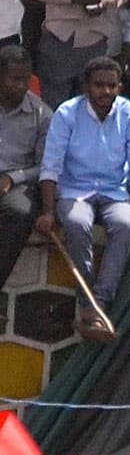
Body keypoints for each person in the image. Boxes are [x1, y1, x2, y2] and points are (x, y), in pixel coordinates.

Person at [37, 56, 130, 342]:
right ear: (86, 86)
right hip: (75, 191)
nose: (106, 92)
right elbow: (51, 166)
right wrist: (48, 211)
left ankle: (99, 303)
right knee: (75, 223)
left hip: (115, 192)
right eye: (99, 85)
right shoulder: (66, 113)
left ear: (120, 87)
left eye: (112, 86)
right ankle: (89, 308)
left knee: (126, 224)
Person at [0, 47, 45, 282]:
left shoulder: (42, 114)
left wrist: (12, 178)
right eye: (14, 79)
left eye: (25, 79)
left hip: (18, 183)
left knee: (20, 211)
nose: (21, 85)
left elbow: (46, 166)